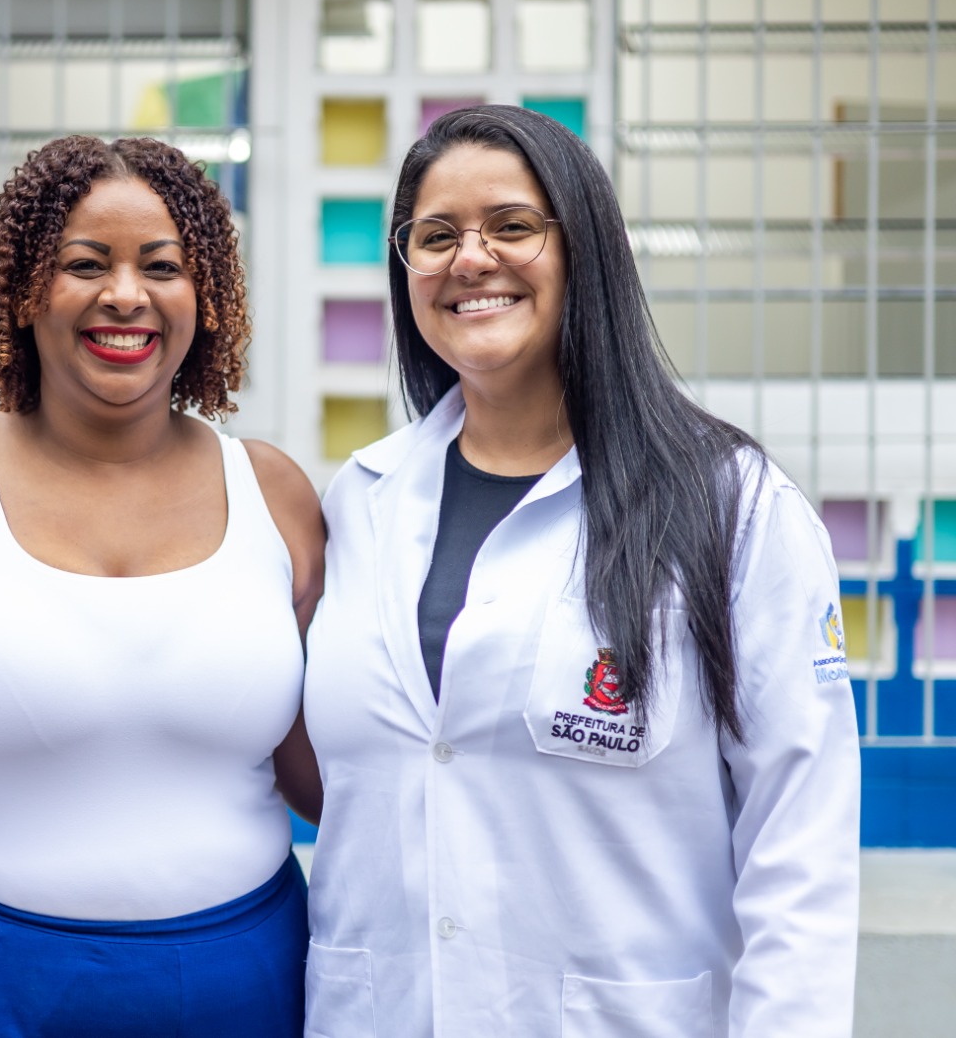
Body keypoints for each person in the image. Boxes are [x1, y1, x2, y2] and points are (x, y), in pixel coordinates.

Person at [302, 104, 860, 1037]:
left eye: (512, 225)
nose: (470, 259)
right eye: (435, 237)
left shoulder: (733, 504)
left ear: (585, 250)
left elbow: (799, 843)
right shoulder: (361, 501)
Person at [0, 135, 324, 1037]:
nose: (126, 294)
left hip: (252, 973)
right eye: (85, 264)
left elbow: (321, 769)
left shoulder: (275, 494)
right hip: (3, 977)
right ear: (23, 291)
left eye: (162, 267)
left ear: (205, 297)